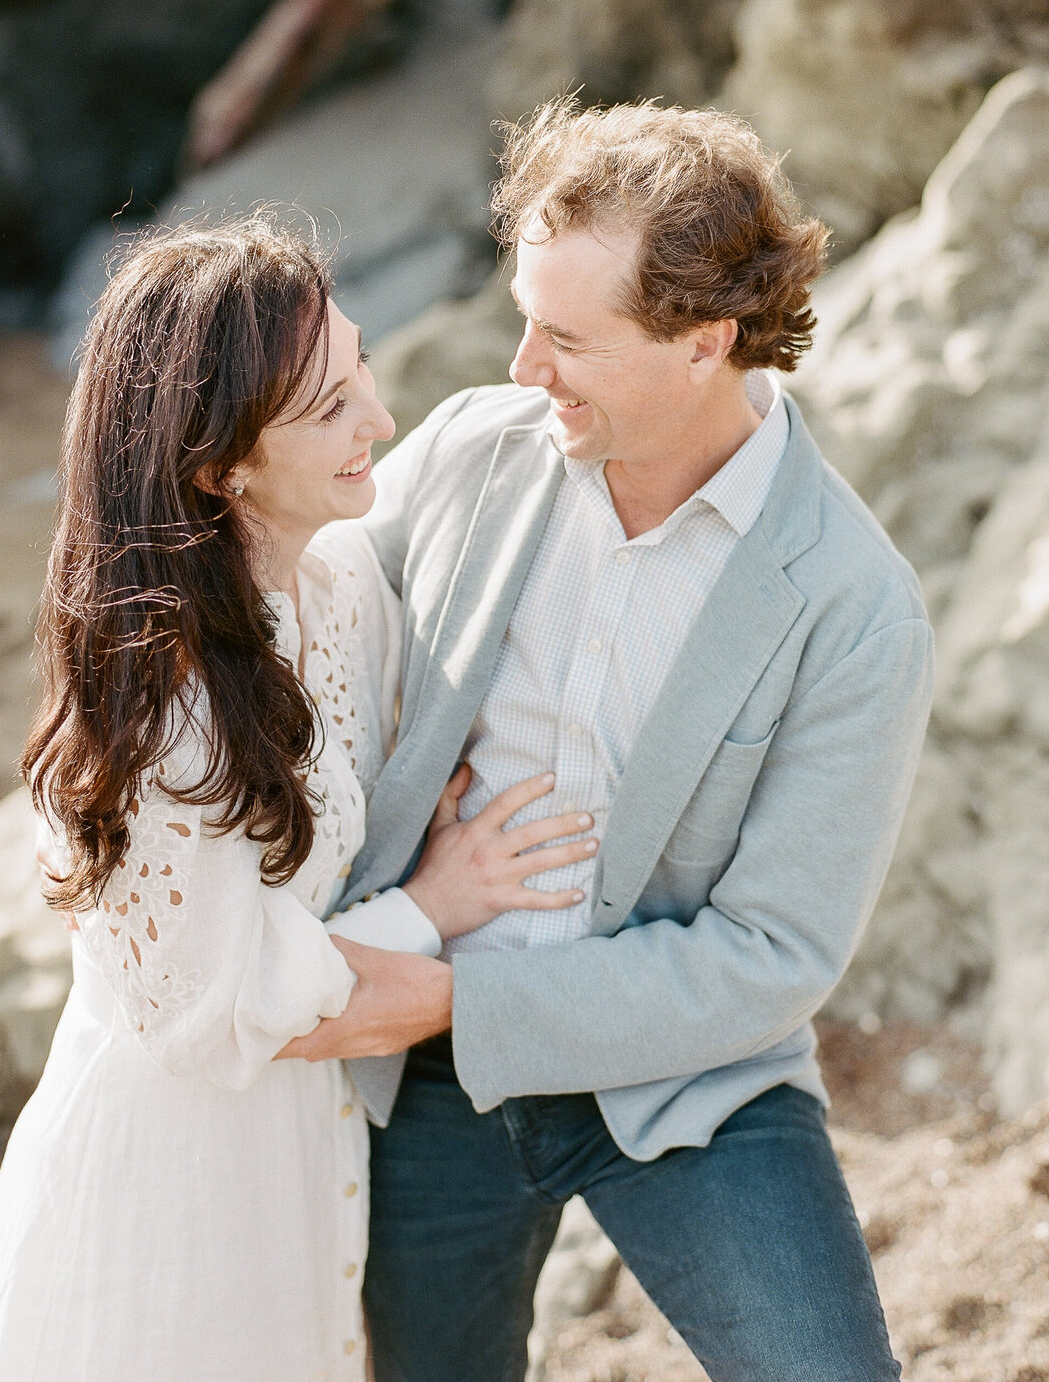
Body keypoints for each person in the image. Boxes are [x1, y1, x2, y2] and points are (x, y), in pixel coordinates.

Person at [286, 100, 936, 1381]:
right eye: (526, 315)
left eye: (570, 338)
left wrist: (463, 995)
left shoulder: (855, 608)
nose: (525, 365)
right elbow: (292, 625)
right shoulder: (476, 451)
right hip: (422, 1074)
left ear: (707, 343)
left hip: (687, 1081)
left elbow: (771, 956)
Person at [0, 220, 599, 1382]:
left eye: (362, 372)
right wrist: (436, 910)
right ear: (218, 464)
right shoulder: (162, 700)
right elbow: (213, 1007)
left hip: (302, 1159)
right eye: (331, 407)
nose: (381, 424)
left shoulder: (339, 582)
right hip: (170, 1205)